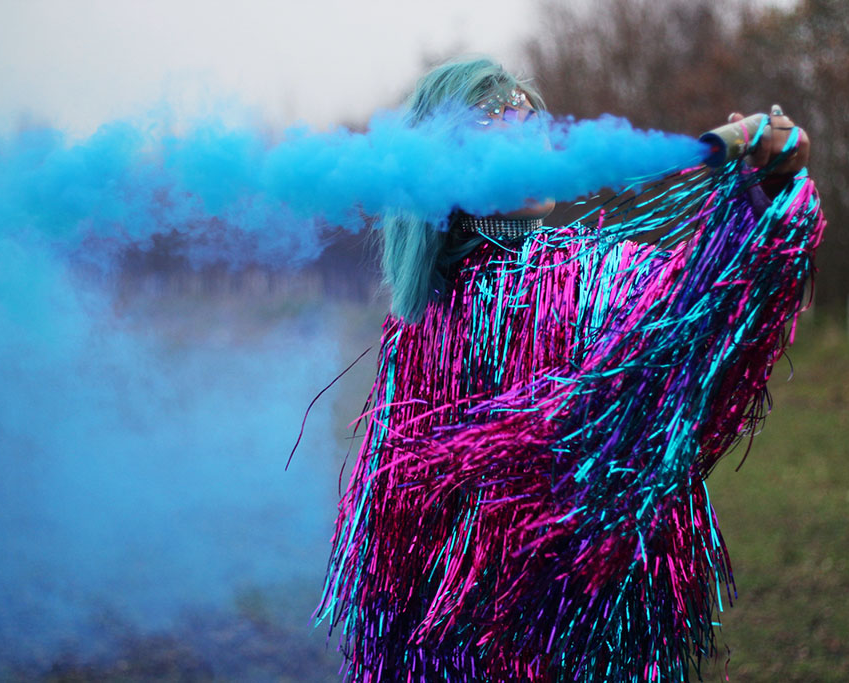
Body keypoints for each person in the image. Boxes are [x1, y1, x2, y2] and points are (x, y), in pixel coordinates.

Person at [318, 56, 823, 682]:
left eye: (535, 128)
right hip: (474, 640)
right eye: (500, 133)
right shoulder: (427, 319)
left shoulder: (579, 278)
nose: (532, 146)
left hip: (557, 631)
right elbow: (396, 518)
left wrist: (766, 200)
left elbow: (701, 309)